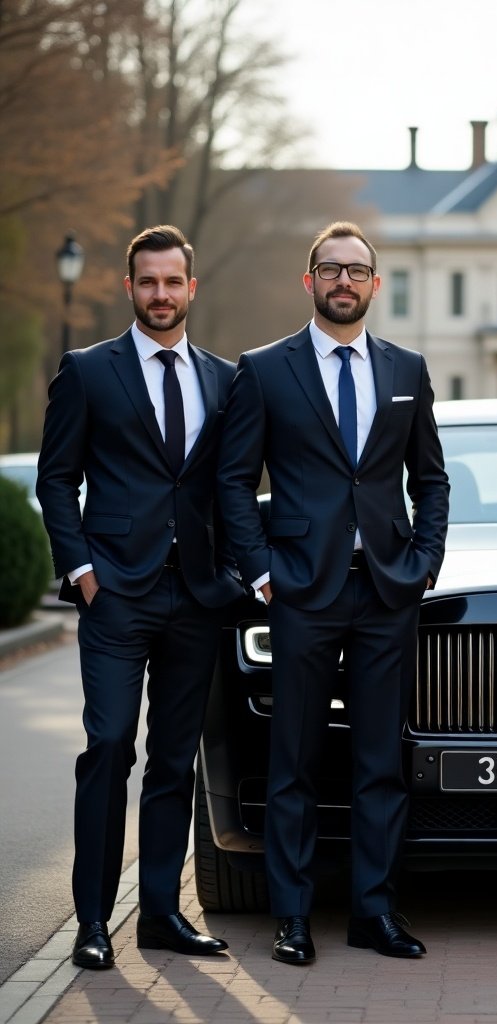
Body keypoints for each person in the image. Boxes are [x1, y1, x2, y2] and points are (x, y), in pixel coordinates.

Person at [217, 221, 448, 966]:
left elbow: (432, 479)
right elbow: (232, 481)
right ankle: (292, 917)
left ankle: (374, 913)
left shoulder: (407, 368)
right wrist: (260, 574)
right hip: (300, 594)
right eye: (330, 269)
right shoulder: (264, 369)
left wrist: (425, 563)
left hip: (386, 592)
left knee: (380, 761)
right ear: (309, 280)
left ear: (376, 284)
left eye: (357, 271)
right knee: (296, 762)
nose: (343, 281)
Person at [36, 225, 239, 969]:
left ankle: (159, 916)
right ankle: (92, 921)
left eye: (172, 282)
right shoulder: (89, 372)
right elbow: (56, 479)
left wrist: (232, 578)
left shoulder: (224, 380)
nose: (161, 294)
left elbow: (230, 485)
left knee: (174, 762)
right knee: (111, 744)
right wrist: (82, 572)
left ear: (192, 287)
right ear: (131, 289)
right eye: (148, 282)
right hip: (116, 594)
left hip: (197, 596)